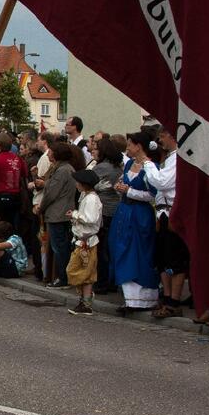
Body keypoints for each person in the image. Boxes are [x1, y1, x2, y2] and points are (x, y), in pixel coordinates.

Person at [110, 132, 159, 315]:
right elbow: (126, 183)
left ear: (139, 146)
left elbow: (153, 194)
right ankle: (129, 298)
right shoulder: (130, 164)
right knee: (122, 250)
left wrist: (129, 191)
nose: (128, 148)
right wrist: (121, 187)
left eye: (130, 145)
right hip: (124, 212)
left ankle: (144, 299)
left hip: (139, 213)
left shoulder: (151, 167)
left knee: (138, 252)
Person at [142, 126, 189, 318]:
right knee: (162, 259)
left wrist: (147, 163)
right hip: (162, 213)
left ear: (172, 136)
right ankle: (167, 297)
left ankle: (173, 301)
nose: (160, 141)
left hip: (173, 213)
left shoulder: (178, 158)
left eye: (162, 137)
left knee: (175, 258)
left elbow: (163, 182)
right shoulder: (169, 159)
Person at [38, 142, 76, 289]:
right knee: (60, 246)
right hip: (60, 212)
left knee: (59, 247)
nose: (48, 154)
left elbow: (51, 193)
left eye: (50, 151)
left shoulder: (62, 171)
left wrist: (41, 208)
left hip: (58, 213)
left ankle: (63, 278)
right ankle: (61, 276)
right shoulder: (62, 168)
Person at [66, 168, 102, 316]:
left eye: (78, 182)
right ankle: (84, 300)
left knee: (82, 272)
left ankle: (86, 302)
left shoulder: (92, 199)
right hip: (81, 241)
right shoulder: (85, 196)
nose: (76, 185)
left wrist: (75, 214)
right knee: (81, 272)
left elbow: (91, 218)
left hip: (88, 242)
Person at [91, 137, 123, 294]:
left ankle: (102, 282)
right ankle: (112, 281)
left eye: (96, 148)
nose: (93, 151)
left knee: (101, 248)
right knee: (110, 249)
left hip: (103, 210)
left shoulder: (101, 168)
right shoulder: (117, 167)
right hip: (115, 210)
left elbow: (87, 184)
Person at [0, 132, 26, 228]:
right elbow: (23, 175)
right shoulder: (18, 158)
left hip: (0, 196)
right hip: (16, 196)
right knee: (12, 223)